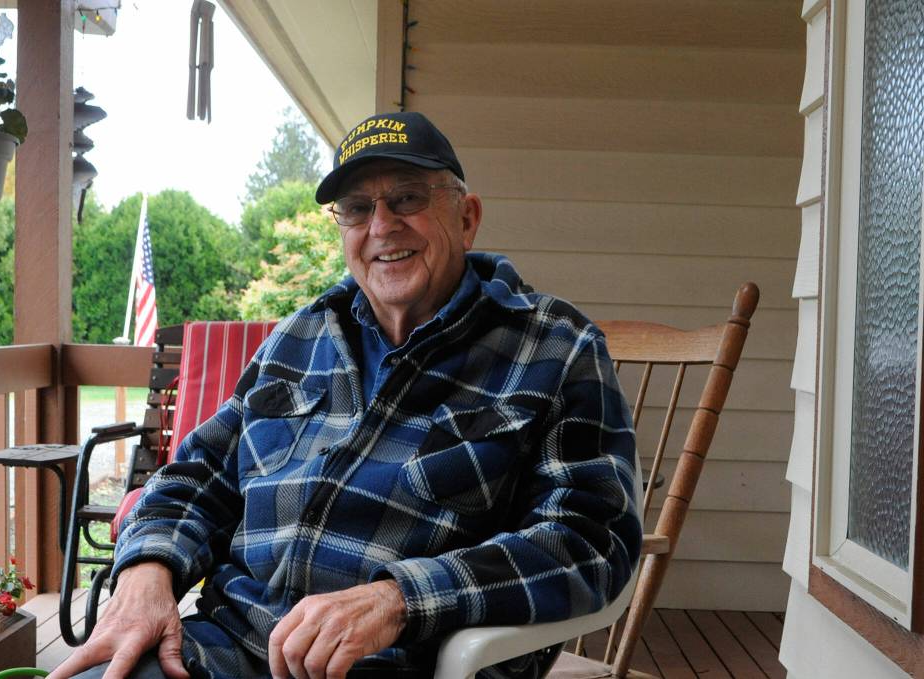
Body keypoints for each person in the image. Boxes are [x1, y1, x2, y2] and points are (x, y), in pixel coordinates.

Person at [51, 112, 642, 679]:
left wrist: (399, 600)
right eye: (358, 208)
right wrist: (147, 571)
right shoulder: (299, 339)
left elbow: (591, 540)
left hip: (408, 662)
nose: (381, 226)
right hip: (225, 648)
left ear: (466, 217)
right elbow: (199, 473)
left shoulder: (554, 349)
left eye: (408, 198)